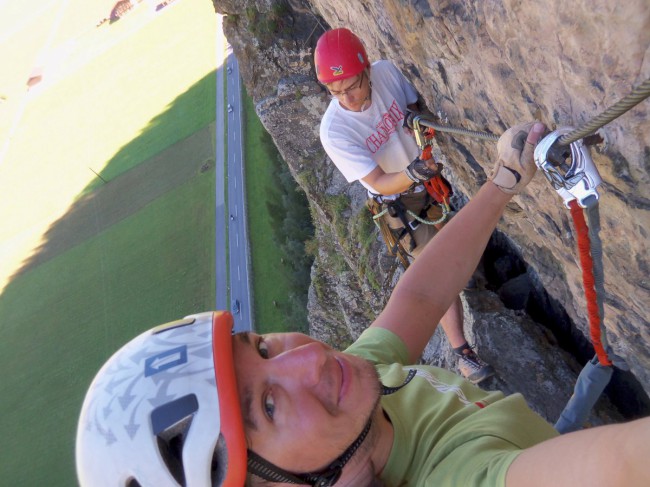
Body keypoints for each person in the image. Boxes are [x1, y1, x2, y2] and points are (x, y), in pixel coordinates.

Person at [76, 121, 650, 486]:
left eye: (264, 346)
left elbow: (420, 294)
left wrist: (500, 182)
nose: (307, 360)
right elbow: (622, 467)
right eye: (269, 406)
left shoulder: (356, 399)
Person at [315, 28, 493, 384]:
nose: (347, 99)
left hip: (427, 180)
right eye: (336, 92)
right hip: (398, 202)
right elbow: (379, 181)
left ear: (366, 70)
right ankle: (463, 353)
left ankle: (471, 278)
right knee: (435, 271)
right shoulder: (334, 131)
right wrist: (412, 171)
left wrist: (419, 117)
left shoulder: (386, 72)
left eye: (352, 87)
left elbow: (417, 106)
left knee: (456, 241)